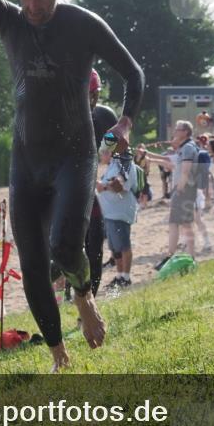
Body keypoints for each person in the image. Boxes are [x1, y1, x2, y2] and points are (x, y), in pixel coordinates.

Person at [0, 0, 144, 372]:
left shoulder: (83, 24)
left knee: (64, 246)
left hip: (72, 156)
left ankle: (83, 294)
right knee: (33, 264)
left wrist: (127, 123)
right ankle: (59, 354)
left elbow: (133, 73)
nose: (33, 7)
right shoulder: (10, 19)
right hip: (26, 159)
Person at [85, 69, 119, 298]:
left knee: (95, 247)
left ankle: (90, 300)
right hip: (57, 192)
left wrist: (119, 175)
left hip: (88, 191)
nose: (88, 102)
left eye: (92, 95)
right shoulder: (55, 115)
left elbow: (120, 152)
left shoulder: (104, 117)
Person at [147, 121, 200, 263]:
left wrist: (179, 190)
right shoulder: (185, 148)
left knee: (178, 224)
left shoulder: (188, 148)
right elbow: (170, 162)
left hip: (183, 190)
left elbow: (186, 171)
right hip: (185, 190)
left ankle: (175, 256)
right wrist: (148, 156)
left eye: (178, 129)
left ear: (185, 132)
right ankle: (185, 255)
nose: (175, 132)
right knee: (182, 224)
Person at [95, 147, 139, 288]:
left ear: (110, 153)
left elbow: (123, 187)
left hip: (119, 212)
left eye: (102, 153)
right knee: (115, 248)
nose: (100, 156)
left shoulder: (126, 165)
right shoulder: (112, 166)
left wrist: (104, 186)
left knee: (124, 245)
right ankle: (119, 276)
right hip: (109, 213)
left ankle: (126, 277)